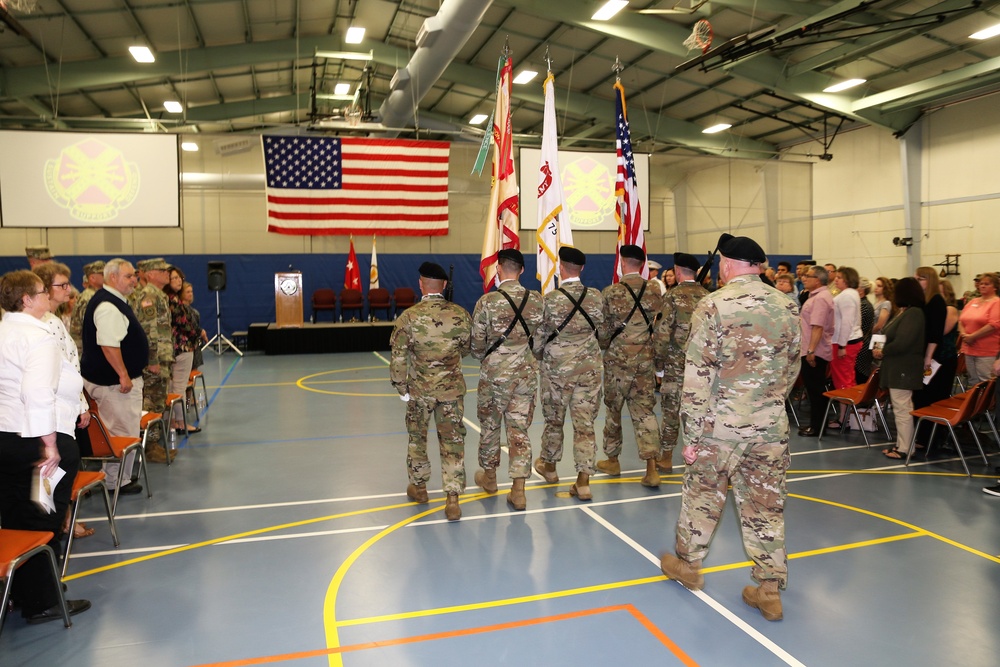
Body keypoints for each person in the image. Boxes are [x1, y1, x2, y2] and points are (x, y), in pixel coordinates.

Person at [659, 234, 800, 622]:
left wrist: (691, 435)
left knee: (703, 497)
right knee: (766, 506)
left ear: (728, 263)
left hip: (720, 427)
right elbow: (792, 366)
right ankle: (769, 589)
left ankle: (688, 565)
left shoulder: (712, 305)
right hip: (770, 426)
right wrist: (767, 403)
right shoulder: (787, 304)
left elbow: (698, 375)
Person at [0, 270, 91, 624]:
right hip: (38, 442)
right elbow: (37, 394)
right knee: (43, 519)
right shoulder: (37, 337)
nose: (47, 297)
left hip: (7, 439)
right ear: (26, 299)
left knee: (16, 516)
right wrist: (50, 447)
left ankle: (24, 589)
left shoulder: (6, 329)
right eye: (41, 292)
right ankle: (42, 601)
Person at [389, 262, 472, 521]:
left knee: (417, 440)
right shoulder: (460, 314)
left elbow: (399, 357)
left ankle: (421, 488)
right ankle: (453, 500)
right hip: (450, 392)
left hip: (419, 392)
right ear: (445, 285)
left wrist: (401, 387)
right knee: (453, 443)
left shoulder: (409, 317)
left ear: (421, 284)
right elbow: (468, 350)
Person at [470, 249, 543, 511]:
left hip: (494, 375)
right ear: (522, 270)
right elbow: (540, 340)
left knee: (490, 425)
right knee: (519, 430)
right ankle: (519, 490)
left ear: (499, 269)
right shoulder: (536, 300)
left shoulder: (487, 302)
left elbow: (477, 346)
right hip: (524, 373)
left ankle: (490, 478)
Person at [532, 247, 605, 501]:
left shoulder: (550, 300)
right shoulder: (596, 297)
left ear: (561, 267)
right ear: (581, 269)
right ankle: (583, 481)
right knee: (585, 425)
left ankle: (550, 468)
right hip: (589, 370)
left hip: (558, 371)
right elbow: (603, 332)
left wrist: (540, 355)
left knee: (554, 419)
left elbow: (539, 338)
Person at [33, 262, 93, 540]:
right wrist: (81, 403)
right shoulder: (48, 323)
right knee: (55, 470)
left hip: (63, 407)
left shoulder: (57, 319)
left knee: (58, 470)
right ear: (45, 289)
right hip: (55, 410)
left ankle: (64, 519)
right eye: (62, 285)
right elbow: (60, 369)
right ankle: (58, 523)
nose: (69, 290)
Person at [597, 245, 663, 487]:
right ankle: (652, 469)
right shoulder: (654, 291)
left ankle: (612, 460)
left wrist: (608, 344)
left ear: (623, 263)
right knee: (645, 413)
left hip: (617, 361)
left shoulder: (611, 292)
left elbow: (603, 331)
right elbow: (660, 326)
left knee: (613, 411)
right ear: (642, 264)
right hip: (644, 360)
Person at [80, 259, 149, 493]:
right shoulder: (108, 305)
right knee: (121, 430)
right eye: (129, 276)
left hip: (112, 381)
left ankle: (117, 479)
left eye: (135, 276)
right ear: (112, 278)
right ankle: (116, 482)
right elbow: (109, 345)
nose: (134, 280)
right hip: (114, 384)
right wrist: (123, 375)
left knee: (120, 428)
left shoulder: (113, 301)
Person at [652, 252, 708, 473]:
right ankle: (703, 457)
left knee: (671, 412)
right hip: (704, 367)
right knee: (702, 412)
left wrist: (658, 366)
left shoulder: (673, 296)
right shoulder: (708, 296)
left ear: (677, 271)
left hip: (677, 365)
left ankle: (666, 458)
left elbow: (662, 333)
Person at [128, 258, 176, 462]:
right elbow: (149, 330)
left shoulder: (158, 295)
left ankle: (152, 445)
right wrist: (153, 359)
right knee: (153, 403)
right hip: (154, 360)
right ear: (149, 274)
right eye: (162, 270)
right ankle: (150, 447)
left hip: (162, 357)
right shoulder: (149, 295)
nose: (167, 273)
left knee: (158, 402)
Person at [875, 278, 926, 460]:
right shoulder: (907, 312)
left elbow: (904, 342)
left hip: (904, 367)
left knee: (902, 408)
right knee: (902, 407)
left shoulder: (914, 313)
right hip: (899, 366)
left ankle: (905, 448)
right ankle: (903, 443)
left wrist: (883, 351)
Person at [163, 266, 202, 435]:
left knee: (173, 387)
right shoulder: (173, 301)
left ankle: (172, 421)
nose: (178, 281)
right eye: (174, 278)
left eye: (180, 278)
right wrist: (197, 332)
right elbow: (186, 324)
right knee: (178, 388)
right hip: (182, 347)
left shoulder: (170, 299)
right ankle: (180, 423)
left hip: (174, 348)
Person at [797, 265, 835, 436]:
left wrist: (811, 351)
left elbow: (817, 326)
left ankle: (817, 427)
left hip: (815, 351)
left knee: (815, 390)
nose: (804, 278)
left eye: (808, 276)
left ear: (818, 280)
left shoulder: (820, 298)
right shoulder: (817, 296)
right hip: (812, 348)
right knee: (814, 389)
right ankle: (818, 424)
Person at [828, 267, 863, 428]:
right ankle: (846, 417)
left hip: (845, 342)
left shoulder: (847, 296)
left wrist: (842, 345)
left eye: (840, 278)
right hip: (848, 340)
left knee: (843, 381)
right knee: (847, 378)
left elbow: (847, 322)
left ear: (848, 279)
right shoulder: (851, 294)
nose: (836, 279)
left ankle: (845, 418)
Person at [958, 272, 1000, 384]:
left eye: (987, 284)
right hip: (969, 348)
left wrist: (972, 336)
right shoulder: (973, 301)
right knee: (973, 381)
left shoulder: (997, 303)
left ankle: (988, 402)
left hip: (986, 350)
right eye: (981, 283)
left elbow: (993, 325)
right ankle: (976, 402)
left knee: (986, 381)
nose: (982, 286)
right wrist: (964, 335)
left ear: (995, 287)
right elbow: (961, 320)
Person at [70, 260, 106, 355]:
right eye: (102, 274)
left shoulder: (97, 295)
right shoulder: (88, 297)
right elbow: (89, 326)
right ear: (92, 278)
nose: (106, 276)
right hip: (85, 349)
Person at [182, 282, 208, 370]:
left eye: (191, 292)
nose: (190, 294)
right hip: (185, 346)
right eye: (187, 292)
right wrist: (201, 332)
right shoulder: (181, 310)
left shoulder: (194, 311)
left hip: (195, 345)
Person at [855, 277, 876, 384]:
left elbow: (858, 326)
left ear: (860, 290)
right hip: (864, 343)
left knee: (860, 377)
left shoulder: (863, 305)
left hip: (862, 346)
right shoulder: (863, 304)